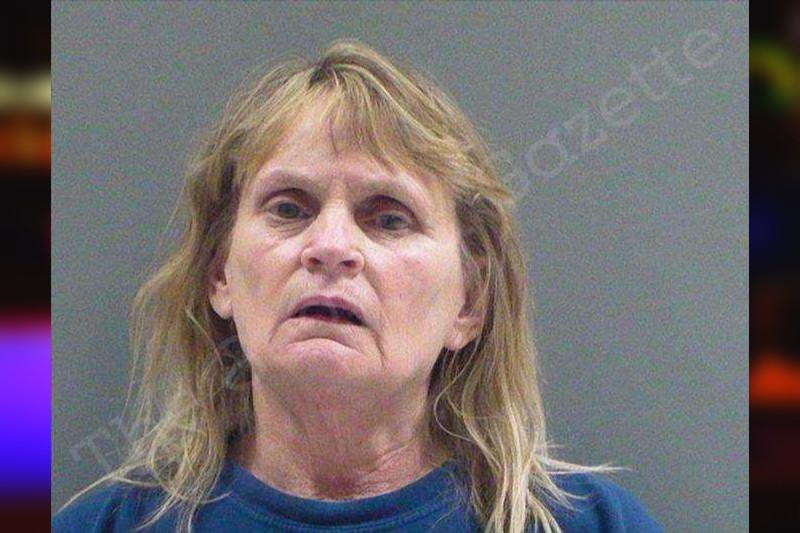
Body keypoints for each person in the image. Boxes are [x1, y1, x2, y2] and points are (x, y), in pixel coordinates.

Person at [52, 39, 663, 532]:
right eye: (289, 208)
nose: (331, 246)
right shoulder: (106, 525)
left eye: (389, 218)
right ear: (219, 275)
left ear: (469, 302)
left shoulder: (592, 525)